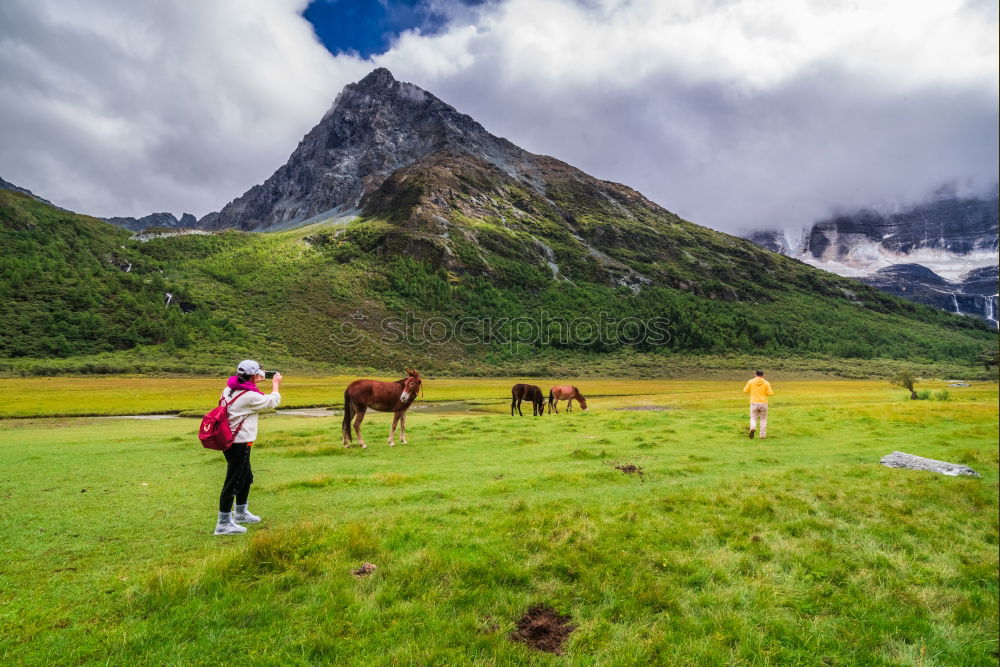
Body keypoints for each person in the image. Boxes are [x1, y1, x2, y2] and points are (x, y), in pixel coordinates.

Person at [213, 360, 282, 536]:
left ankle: (241, 512)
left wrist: (255, 381)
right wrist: (275, 384)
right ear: (252, 374)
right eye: (258, 372)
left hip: (231, 440)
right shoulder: (249, 395)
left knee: (245, 476)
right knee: (234, 480)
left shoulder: (229, 388)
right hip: (239, 442)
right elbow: (272, 401)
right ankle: (223, 523)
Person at [742, 369, 773, 439]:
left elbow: (745, 390)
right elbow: (770, 393)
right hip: (764, 403)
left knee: (753, 417)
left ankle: (752, 427)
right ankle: (763, 435)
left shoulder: (751, 382)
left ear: (755, 375)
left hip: (754, 403)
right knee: (763, 419)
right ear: (763, 376)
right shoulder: (766, 383)